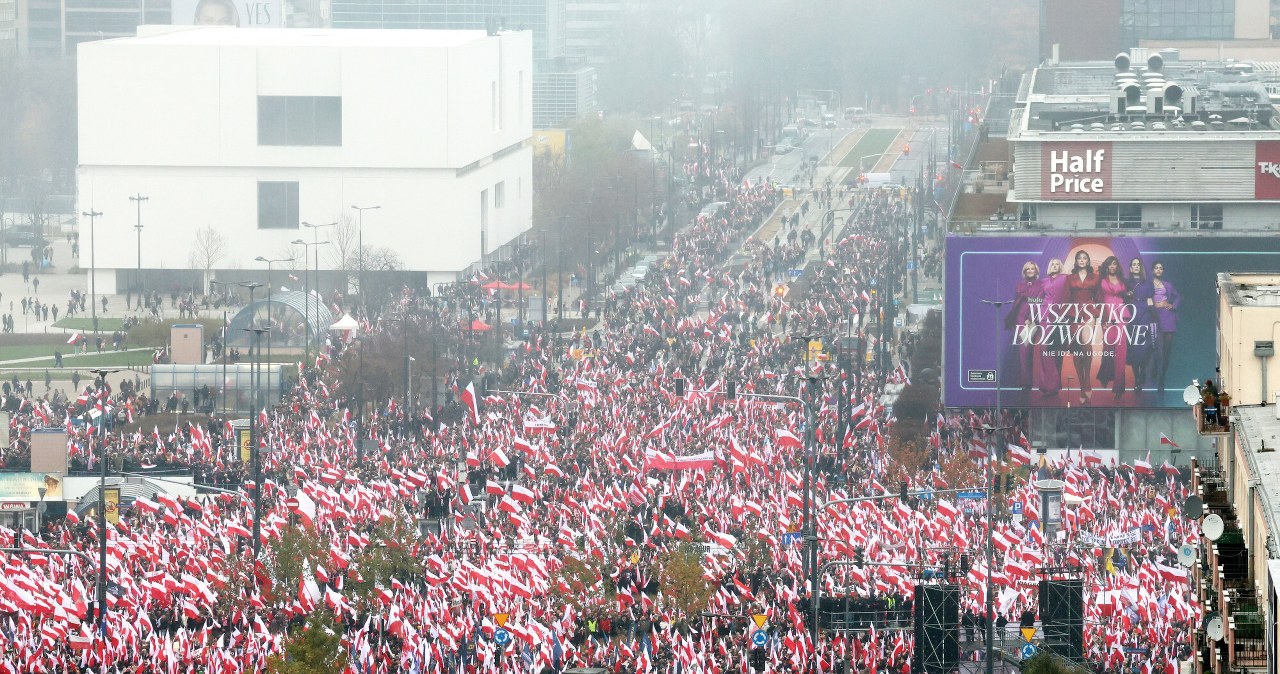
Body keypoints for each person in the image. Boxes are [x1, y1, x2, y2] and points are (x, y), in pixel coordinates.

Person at [1004, 260, 1044, 392]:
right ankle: (1025, 382)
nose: (1030, 271)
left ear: (1036, 271)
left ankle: (1033, 381)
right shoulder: (1019, 284)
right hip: (1021, 315)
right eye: (1028, 269)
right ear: (1025, 271)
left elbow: (1039, 302)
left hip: (1033, 315)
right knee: (1023, 350)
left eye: (1033, 269)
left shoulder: (1041, 284)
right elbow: (1017, 301)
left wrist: (1031, 319)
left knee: (1032, 350)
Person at [1066, 249, 1099, 404]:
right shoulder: (1069, 278)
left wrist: (1098, 314)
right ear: (1076, 261)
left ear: (1088, 261)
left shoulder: (1095, 277)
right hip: (1073, 312)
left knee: (1086, 344)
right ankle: (1082, 386)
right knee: (1077, 350)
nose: (1082, 260)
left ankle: (1087, 381)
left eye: (1084, 258)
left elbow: (1098, 297)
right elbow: (1066, 296)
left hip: (1089, 311)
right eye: (1079, 258)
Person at [1095, 256, 1129, 397]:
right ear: (1107, 267)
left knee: (1121, 351)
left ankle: (1119, 387)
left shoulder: (1123, 281)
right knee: (1108, 349)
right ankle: (1105, 376)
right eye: (1110, 264)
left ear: (1117, 266)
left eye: (1114, 264)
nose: (1112, 266)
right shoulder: (1100, 281)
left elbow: (1128, 297)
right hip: (1107, 317)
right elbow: (1097, 299)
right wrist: (1102, 319)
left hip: (1122, 316)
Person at [1036, 257, 1068, 395]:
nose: (1055, 266)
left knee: (1056, 351)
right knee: (1044, 349)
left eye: (1057, 264)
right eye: (1052, 264)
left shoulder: (1066, 278)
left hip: (1060, 316)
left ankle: (1054, 385)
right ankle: (1047, 384)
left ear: (1060, 266)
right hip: (1045, 316)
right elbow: (1037, 298)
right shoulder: (1044, 281)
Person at [1150, 261, 1180, 392]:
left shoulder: (1168, 284)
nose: (1158, 270)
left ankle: (1161, 379)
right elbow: (1145, 298)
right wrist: (1155, 306)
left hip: (1168, 318)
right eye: (1156, 268)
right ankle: (1156, 370)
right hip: (1155, 317)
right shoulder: (1148, 284)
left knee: (1167, 352)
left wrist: (1172, 305)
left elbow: (1178, 296)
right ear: (1152, 270)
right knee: (1157, 350)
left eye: (1161, 268)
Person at [1125, 258, 1155, 391]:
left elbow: (1150, 300)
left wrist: (1153, 316)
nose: (1136, 266)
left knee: (1143, 346)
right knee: (1132, 347)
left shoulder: (1148, 283)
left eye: (1138, 264)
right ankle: (1137, 378)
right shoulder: (1126, 282)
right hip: (1131, 312)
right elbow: (1122, 298)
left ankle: (1142, 371)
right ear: (1130, 268)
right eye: (1134, 265)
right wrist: (1127, 295)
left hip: (1144, 313)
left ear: (1141, 267)